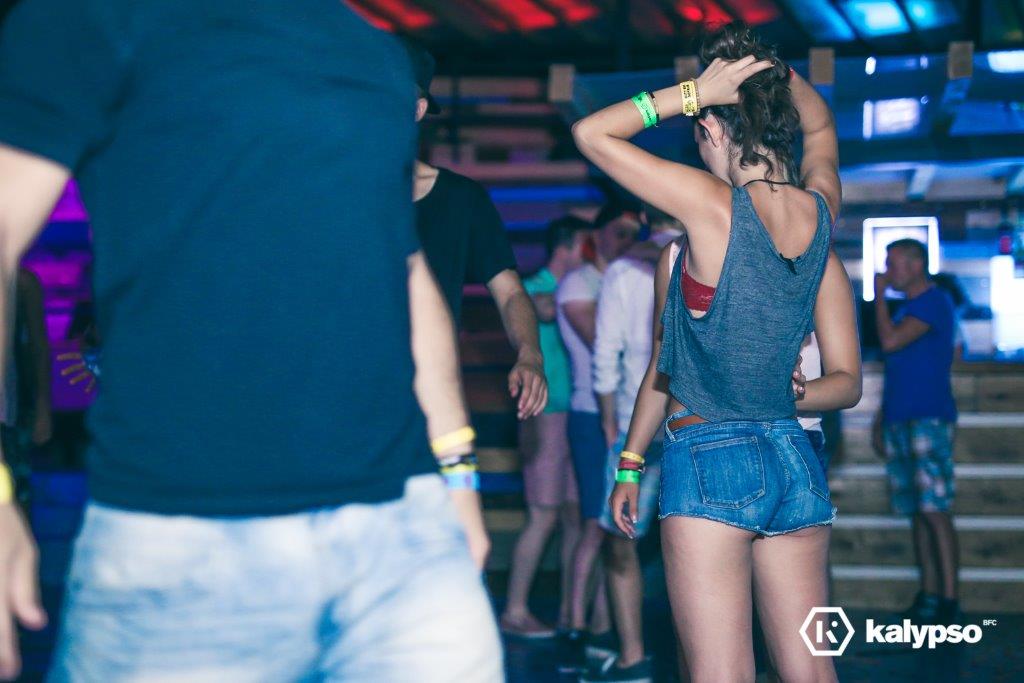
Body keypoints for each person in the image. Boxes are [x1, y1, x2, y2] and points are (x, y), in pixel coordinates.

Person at [0, 3, 501, 680]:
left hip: (402, 526)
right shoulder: (95, 19)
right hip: (183, 539)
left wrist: (458, 478)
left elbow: (404, 271)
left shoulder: (373, 54)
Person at [573, 22, 863, 682]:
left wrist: (693, 91)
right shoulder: (820, 210)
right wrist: (769, 73)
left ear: (710, 130)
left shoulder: (710, 207)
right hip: (794, 454)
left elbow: (592, 134)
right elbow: (821, 129)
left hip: (712, 458)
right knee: (812, 673)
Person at [408, 42, 547, 421]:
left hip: (428, 397)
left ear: (417, 109)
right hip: (343, 390)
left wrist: (530, 356)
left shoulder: (461, 199)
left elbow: (509, 291)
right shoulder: (339, 193)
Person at [586, 203, 684, 683]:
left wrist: (609, 421)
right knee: (698, 543)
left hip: (633, 422)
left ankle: (632, 657)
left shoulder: (625, 270)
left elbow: (607, 351)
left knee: (621, 539)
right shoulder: (710, 255)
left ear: (646, 217)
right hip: (695, 421)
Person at [555, 205, 639, 669]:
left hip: (621, 412)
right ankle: (572, 624)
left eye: (633, 233)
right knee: (596, 522)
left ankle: (602, 628)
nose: (627, 240)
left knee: (615, 528)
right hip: (593, 414)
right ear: (598, 236)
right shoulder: (580, 282)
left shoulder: (624, 277)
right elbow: (606, 345)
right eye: (619, 232)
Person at [500, 215, 590, 638]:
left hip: (575, 412)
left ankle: (571, 613)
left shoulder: (575, 286)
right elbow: (543, 309)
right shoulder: (533, 288)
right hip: (544, 414)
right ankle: (515, 610)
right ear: (566, 247)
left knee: (574, 516)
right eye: (586, 245)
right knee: (542, 516)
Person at [873, 238, 960, 625]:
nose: (887, 272)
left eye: (893, 263)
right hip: (902, 418)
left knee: (935, 511)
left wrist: (878, 296)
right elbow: (899, 369)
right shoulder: (910, 307)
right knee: (918, 513)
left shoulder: (933, 302)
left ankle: (949, 601)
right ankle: (929, 596)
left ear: (916, 264)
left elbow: (890, 342)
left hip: (928, 418)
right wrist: (881, 418)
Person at [0, 268, 53, 513]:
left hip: (9, 412)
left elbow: (38, 346)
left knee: (15, 498)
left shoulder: (22, 281)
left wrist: (43, 408)